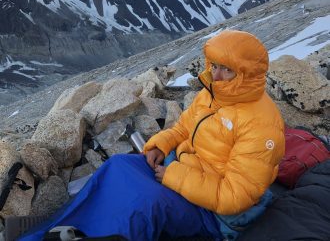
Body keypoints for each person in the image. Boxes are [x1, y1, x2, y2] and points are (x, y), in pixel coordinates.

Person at [19, 30, 285, 241]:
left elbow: (234, 197)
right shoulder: (211, 94)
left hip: (214, 215)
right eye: (214, 65)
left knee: (143, 202)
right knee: (118, 166)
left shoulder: (261, 125)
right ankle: (56, 230)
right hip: (181, 173)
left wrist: (174, 176)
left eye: (227, 69)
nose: (216, 75)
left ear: (247, 74)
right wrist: (162, 143)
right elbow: (183, 128)